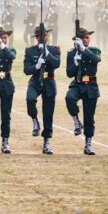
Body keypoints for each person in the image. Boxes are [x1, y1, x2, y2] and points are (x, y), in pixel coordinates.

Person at [23, 26, 61, 155]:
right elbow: (26, 70)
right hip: (35, 81)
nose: (43, 38)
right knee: (30, 99)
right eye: (40, 36)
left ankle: (46, 141)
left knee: (48, 113)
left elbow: (56, 64)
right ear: (37, 38)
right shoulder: (30, 51)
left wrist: (47, 53)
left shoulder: (54, 49)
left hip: (49, 81)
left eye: (45, 35)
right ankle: (34, 120)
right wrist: (36, 66)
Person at [65, 26, 101, 155]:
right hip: (78, 84)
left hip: (91, 85)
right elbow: (69, 74)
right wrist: (75, 63)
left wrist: (84, 50)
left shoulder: (94, 51)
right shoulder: (71, 53)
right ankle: (76, 122)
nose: (86, 40)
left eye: (87, 37)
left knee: (89, 117)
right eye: (82, 38)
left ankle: (88, 144)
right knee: (69, 98)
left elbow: (97, 60)